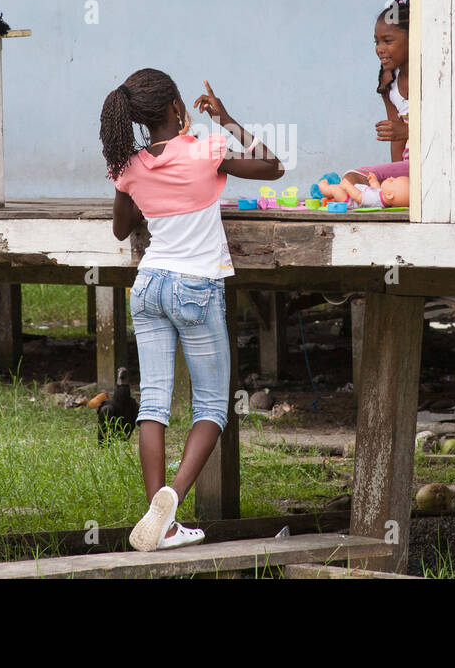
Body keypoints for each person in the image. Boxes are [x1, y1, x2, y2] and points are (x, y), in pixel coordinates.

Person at [100, 69, 284, 551]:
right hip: (195, 288)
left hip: (149, 286)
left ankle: (159, 521)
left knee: (155, 404)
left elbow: (122, 229)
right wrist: (227, 120)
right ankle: (172, 500)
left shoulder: (131, 164)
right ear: (175, 109)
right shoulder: (205, 148)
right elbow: (273, 166)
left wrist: (146, 190)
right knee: (211, 408)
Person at [342, 0, 455, 189]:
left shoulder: (435, 74)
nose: (379, 49)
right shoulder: (388, 80)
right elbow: (397, 139)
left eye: (387, 41)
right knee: (354, 179)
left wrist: (408, 130)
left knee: (353, 179)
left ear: (413, 38)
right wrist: (394, 180)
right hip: (415, 165)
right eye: (376, 42)